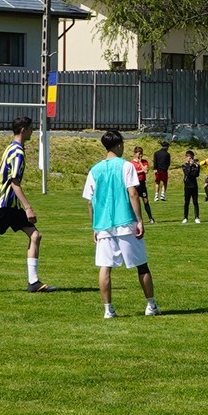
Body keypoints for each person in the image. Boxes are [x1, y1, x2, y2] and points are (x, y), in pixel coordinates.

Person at [0, 116, 54, 294]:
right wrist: (28, 207)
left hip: (10, 205)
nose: (32, 131)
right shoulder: (17, 152)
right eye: (30, 128)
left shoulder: (10, 148)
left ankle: (33, 282)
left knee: (35, 235)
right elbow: (14, 182)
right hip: (7, 205)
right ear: (23, 129)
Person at [84, 128, 157, 318]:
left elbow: (90, 201)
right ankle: (151, 305)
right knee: (142, 265)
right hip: (125, 222)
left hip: (104, 225)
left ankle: (108, 310)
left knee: (105, 267)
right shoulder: (126, 166)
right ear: (118, 145)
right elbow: (133, 193)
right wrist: (140, 220)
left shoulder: (94, 170)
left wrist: (94, 226)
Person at [131, 145, 155, 222]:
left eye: (141, 153)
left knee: (146, 201)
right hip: (135, 184)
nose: (140, 155)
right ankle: (136, 219)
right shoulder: (131, 163)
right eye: (139, 153)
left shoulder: (144, 162)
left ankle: (150, 218)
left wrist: (140, 162)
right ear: (135, 153)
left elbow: (146, 171)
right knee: (135, 202)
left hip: (142, 184)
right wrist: (142, 170)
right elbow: (134, 172)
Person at [179, 149, 202, 222]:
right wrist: (190, 165)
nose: (191, 159)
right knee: (186, 202)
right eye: (189, 157)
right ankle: (185, 217)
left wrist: (198, 167)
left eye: (192, 157)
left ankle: (197, 217)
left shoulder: (194, 166)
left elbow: (196, 175)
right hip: (187, 186)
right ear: (186, 157)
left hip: (194, 185)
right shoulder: (184, 165)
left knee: (195, 202)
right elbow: (187, 174)